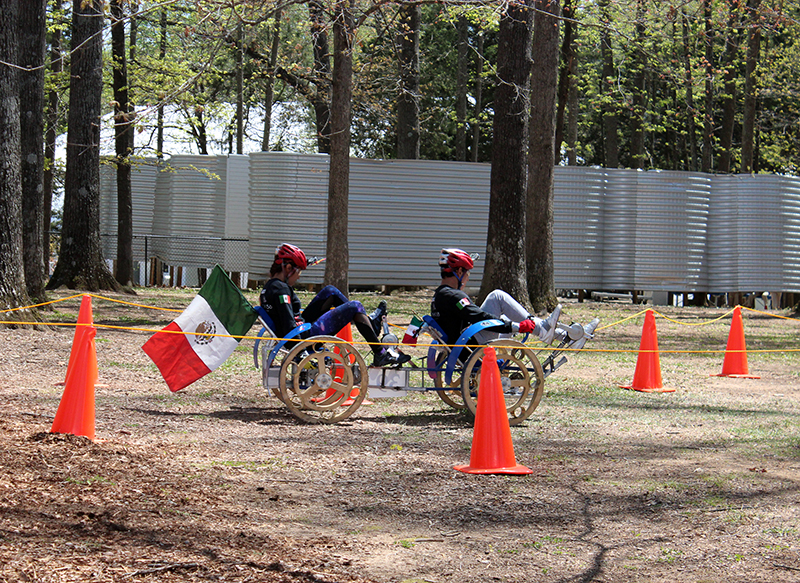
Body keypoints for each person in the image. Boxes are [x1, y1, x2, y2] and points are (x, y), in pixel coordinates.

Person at [260, 244, 410, 367]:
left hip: (301, 327)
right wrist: (300, 353)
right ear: (287, 268)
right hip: (304, 337)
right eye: (298, 271)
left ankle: (370, 324)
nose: (299, 276)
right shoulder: (281, 291)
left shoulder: (271, 287)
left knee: (330, 291)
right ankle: (379, 352)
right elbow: (288, 323)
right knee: (355, 306)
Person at [430, 248, 567, 347]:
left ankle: (562, 335)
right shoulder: (454, 296)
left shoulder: (439, 295)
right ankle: (544, 330)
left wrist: (511, 325)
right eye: (467, 274)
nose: (467, 278)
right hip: (471, 344)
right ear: (459, 271)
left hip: (463, 343)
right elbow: (480, 317)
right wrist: (517, 327)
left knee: (507, 318)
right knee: (497, 296)